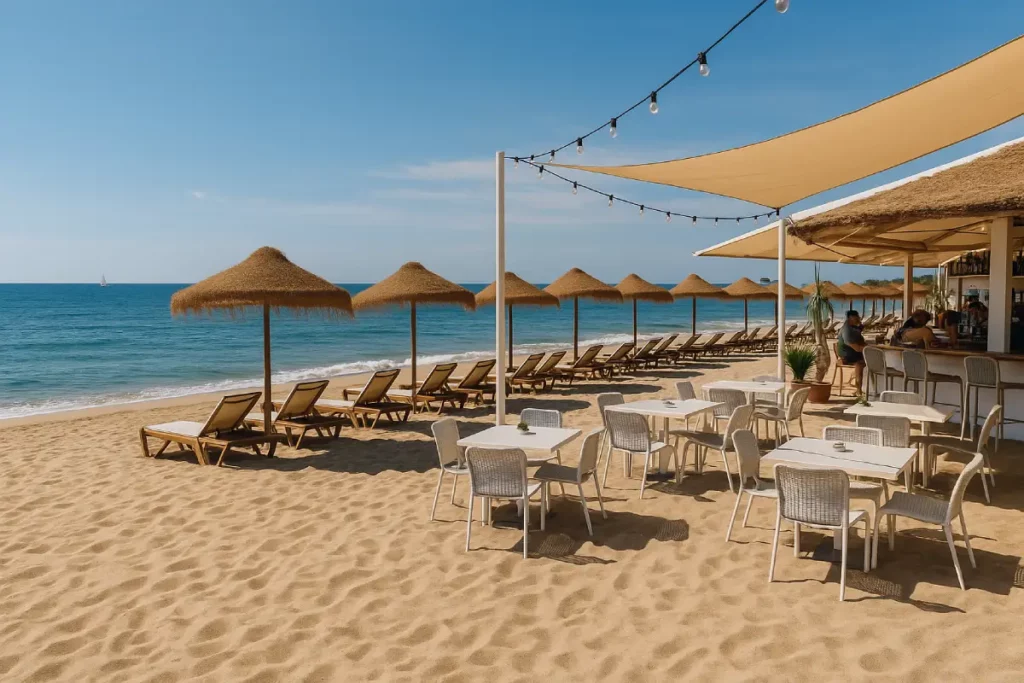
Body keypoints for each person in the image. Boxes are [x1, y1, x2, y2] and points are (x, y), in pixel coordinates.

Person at [837, 310, 867, 393]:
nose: (858, 318)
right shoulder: (847, 330)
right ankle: (859, 388)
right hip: (847, 355)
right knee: (864, 362)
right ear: (851, 318)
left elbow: (860, 328)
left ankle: (863, 386)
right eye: (856, 317)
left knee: (870, 360)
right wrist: (868, 349)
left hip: (852, 353)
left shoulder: (852, 328)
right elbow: (856, 348)